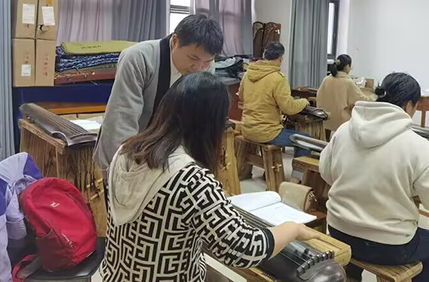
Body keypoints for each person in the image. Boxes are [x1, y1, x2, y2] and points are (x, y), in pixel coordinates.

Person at [101, 73, 316, 281]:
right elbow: (243, 249)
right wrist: (292, 228)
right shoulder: (190, 178)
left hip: (116, 274)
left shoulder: (126, 151)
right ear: (210, 124)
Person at [319, 72, 429, 282]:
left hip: (338, 230)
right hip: (389, 246)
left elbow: (326, 172)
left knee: (354, 250)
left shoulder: (344, 131)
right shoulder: (416, 145)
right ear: (409, 106)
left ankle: (350, 276)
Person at [94, 14, 223, 174]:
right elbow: (121, 118)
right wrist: (123, 170)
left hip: (170, 152)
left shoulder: (206, 68)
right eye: (193, 58)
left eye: (207, 61)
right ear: (175, 41)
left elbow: (197, 120)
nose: (198, 68)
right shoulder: (139, 58)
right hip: (131, 145)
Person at [239, 42, 309, 159]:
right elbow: (289, 108)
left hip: (247, 129)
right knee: (306, 141)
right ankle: (298, 171)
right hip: (267, 133)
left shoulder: (248, 74)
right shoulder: (278, 79)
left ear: (264, 55)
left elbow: (241, 97)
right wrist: (303, 102)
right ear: (280, 58)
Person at [317, 54, 367, 133]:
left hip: (324, 120)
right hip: (341, 123)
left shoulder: (326, 79)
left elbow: (319, 96)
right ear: (347, 67)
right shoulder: (348, 82)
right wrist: (375, 97)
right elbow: (361, 100)